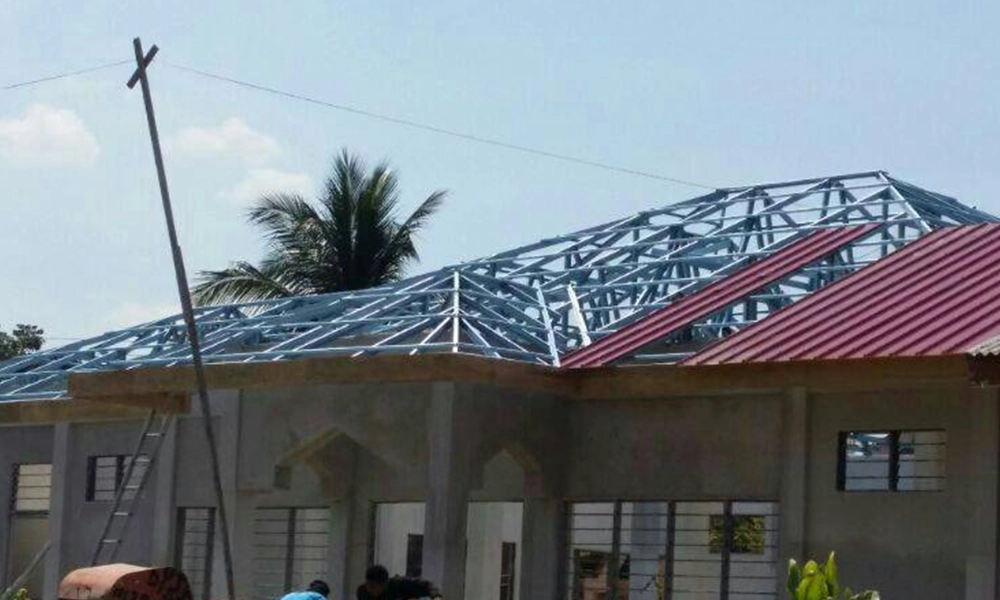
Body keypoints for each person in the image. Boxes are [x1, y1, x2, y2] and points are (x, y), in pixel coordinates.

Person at [357, 565, 443, 600]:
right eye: (368, 586)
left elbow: (428, 586)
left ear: (384, 584)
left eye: (373, 587)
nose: (369, 590)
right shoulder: (363, 592)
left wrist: (436, 597)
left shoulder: (399, 584)